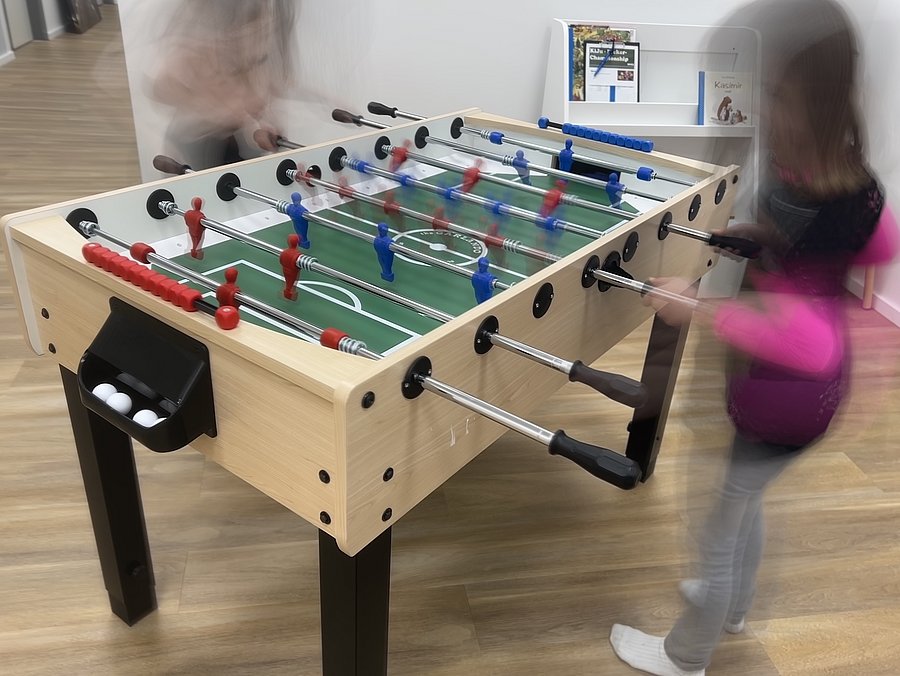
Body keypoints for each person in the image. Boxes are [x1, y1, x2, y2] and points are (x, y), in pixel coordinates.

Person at [608, 1, 898, 674]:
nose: (761, 108)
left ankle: (686, 654)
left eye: (775, 95)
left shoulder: (834, 198)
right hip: (786, 393)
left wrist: (700, 308)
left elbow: (809, 343)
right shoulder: (826, 175)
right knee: (745, 502)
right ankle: (734, 606)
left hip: (789, 397)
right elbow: (875, 243)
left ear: (819, 100)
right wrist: (759, 239)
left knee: (717, 525)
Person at [149, 0, 297, 170]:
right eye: (254, 29)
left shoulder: (253, 57)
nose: (262, 35)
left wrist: (264, 123)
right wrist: (215, 109)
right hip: (196, 145)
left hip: (233, 144)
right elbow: (159, 89)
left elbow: (256, 104)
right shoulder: (196, 53)